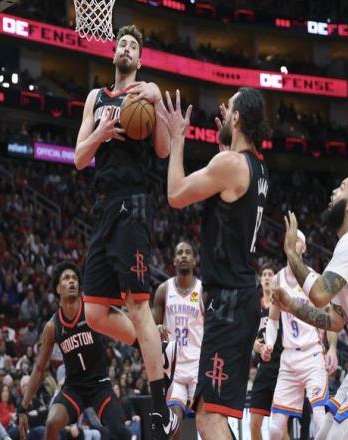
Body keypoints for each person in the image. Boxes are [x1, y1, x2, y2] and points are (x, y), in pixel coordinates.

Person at [74, 24, 178, 439]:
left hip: (133, 203)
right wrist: (100, 134)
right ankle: (155, 346)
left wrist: (156, 99)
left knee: (137, 305)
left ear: (139, 59)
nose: (126, 49)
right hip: (103, 205)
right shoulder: (95, 98)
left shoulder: (146, 95)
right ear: (114, 53)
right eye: (122, 43)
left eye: (133, 46)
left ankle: (160, 407)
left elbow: (163, 150)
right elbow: (79, 158)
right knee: (94, 313)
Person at [158, 87, 270, 439]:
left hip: (230, 302)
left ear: (236, 118)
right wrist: (226, 146)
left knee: (208, 419)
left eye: (229, 107)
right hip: (238, 297)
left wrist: (177, 138)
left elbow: (175, 194)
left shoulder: (231, 165)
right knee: (211, 414)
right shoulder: (257, 167)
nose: (222, 110)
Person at [271, 169, 348, 440]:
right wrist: (292, 306)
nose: (334, 191)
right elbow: (334, 320)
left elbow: (320, 293)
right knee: (323, 434)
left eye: (342, 187)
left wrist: (291, 255)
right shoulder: (345, 248)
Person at [19, 261, 130, 440]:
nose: (71, 281)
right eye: (66, 278)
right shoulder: (52, 327)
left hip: (99, 385)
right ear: (58, 289)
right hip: (74, 388)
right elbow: (39, 368)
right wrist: (23, 408)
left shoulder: (91, 310)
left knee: (121, 431)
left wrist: (149, 327)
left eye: (74, 278)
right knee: (51, 422)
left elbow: (123, 317)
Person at [260, 230, 337, 439]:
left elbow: (330, 317)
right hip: (289, 358)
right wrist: (269, 343)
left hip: (312, 354)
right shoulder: (277, 279)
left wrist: (332, 348)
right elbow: (273, 319)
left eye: (296, 241)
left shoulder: (314, 279)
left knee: (320, 417)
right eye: (289, 240)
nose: (292, 243)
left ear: (304, 247)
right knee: (275, 427)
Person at [153, 241, 203, 439]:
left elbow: (212, 330)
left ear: (194, 260)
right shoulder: (163, 290)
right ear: (174, 260)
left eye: (187, 252)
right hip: (174, 368)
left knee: (206, 424)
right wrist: (157, 328)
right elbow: (152, 330)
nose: (183, 255)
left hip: (198, 365)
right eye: (179, 252)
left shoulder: (203, 290)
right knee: (174, 427)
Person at [249, 264, 285, 440]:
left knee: (280, 429)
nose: (267, 277)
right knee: (254, 425)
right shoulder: (254, 307)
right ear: (260, 280)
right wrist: (253, 345)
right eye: (264, 274)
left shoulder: (282, 303)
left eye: (270, 274)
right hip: (263, 368)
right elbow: (246, 334)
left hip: (282, 367)